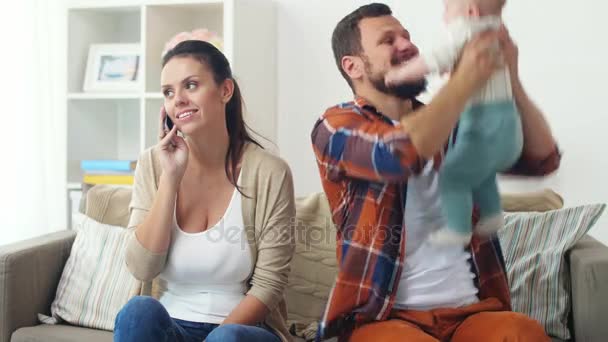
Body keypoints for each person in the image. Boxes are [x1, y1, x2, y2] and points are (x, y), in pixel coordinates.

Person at [311, 3, 560, 341]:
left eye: (407, 36)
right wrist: (463, 82)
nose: (406, 45)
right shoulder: (335, 126)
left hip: (471, 312)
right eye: (388, 40)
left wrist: (508, 78)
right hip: (385, 320)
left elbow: (540, 159)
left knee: (522, 332)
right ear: (352, 66)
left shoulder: (450, 121)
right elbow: (396, 155)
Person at [113, 37, 295, 342]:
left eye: (191, 85)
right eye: (169, 93)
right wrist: (170, 178)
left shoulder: (269, 172)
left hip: (241, 331)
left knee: (226, 340)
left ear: (225, 90)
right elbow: (142, 268)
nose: (178, 99)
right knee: (137, 312)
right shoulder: (153, 164)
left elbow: (269, 285)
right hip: (172, 328)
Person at [385, 0, 523, 246]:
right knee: (482, 174)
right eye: (387, 40)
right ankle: (492, 214)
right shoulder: (495, 32)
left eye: (447, 8)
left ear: (471, 11)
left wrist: (401, 73)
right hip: (507, 126)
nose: (444, 15)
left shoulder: (468, 30)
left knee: (453, 177)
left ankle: (458, 228)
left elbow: (437, 56)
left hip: (484, 123)